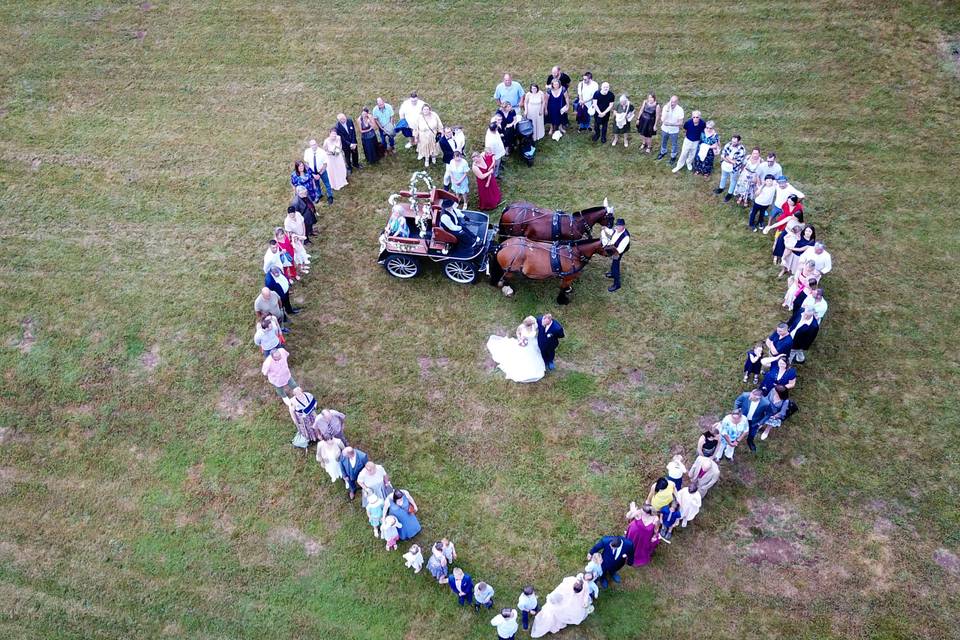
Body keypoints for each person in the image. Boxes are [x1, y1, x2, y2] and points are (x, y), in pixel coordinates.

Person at [487, 316, 546, 383]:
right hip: (523, 344)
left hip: (531, 344)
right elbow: (518, 333)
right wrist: (520, 340)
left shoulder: (534, 326)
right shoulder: (521, 327)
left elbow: (535, 332)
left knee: (533, 355)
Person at [735, 387, 773, 453]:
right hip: (742, 418)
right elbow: (737, 401)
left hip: (755, 422)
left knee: (752, 433)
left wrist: (760, 423)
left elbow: (768, 414)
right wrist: (736, 410)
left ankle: (750, 441)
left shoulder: (766, 403)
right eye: (750, 395)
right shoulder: (745, 395)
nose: (749, 398)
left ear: (758, 398)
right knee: (737, 429)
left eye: (752, 398)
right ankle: (735, 439)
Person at [599, 218, 630, 292]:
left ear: (623, 226)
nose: (617, 227)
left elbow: (620, 250)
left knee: (615, 266)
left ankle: (617, 284)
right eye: (617, 225)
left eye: (620, 226)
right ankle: (612, 273)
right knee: (613, 263)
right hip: (613, 248)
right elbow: (611, 232)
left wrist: (611, 251)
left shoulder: (626, 237)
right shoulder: (616, 230)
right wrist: (605, 228)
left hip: (617, 252)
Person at [624, 502, 660, 566]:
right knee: (631, 544)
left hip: (645, 537)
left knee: (641, 548)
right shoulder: (639, 512)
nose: (641, 511)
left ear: (648, 513)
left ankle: (637, 557)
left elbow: (656, 530)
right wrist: (632, 511)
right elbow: (628, 517)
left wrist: (654, 536)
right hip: (634, 534)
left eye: (643, 511)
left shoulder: (655, 518)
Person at [302, 139, 334, 204]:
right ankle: (319, 194)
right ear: (310, 146)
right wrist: (312, 174)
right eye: (312, 145)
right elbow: (306, 163)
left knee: (327, 183)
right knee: (316, 185)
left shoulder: (322, 152)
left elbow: (325, 164)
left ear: (317, 144)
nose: (313, 146)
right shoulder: (307, 152)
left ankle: (330, 196)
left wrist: (319, 174)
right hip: (313, 172)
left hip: (322, 171)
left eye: (314, 144)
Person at [716, 135, 745, 200]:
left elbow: (736, 162)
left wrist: (727, 158)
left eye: (735, 142)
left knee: (733, 180)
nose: (733, 143)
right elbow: (723, 155)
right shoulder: (728, 145)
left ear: (739, 141)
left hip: (734, 168)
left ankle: (730, 193)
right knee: (723, 177)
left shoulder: (741, 150)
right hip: (725, 166)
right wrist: (730, 160)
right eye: (732, 141)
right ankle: (721, 188)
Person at [657, 95, 684, 162]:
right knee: (664, 141)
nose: (672, 103)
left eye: (674, 102)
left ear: (677, 102)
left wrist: (671, 124)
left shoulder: (680, 110)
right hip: (665, 129)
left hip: (674, 131)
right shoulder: (666, 107)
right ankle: (663, 152)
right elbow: (663, 119)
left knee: (674, 144)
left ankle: (673, 156)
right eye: (671, 101)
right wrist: (668, 110)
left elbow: (680, 123)